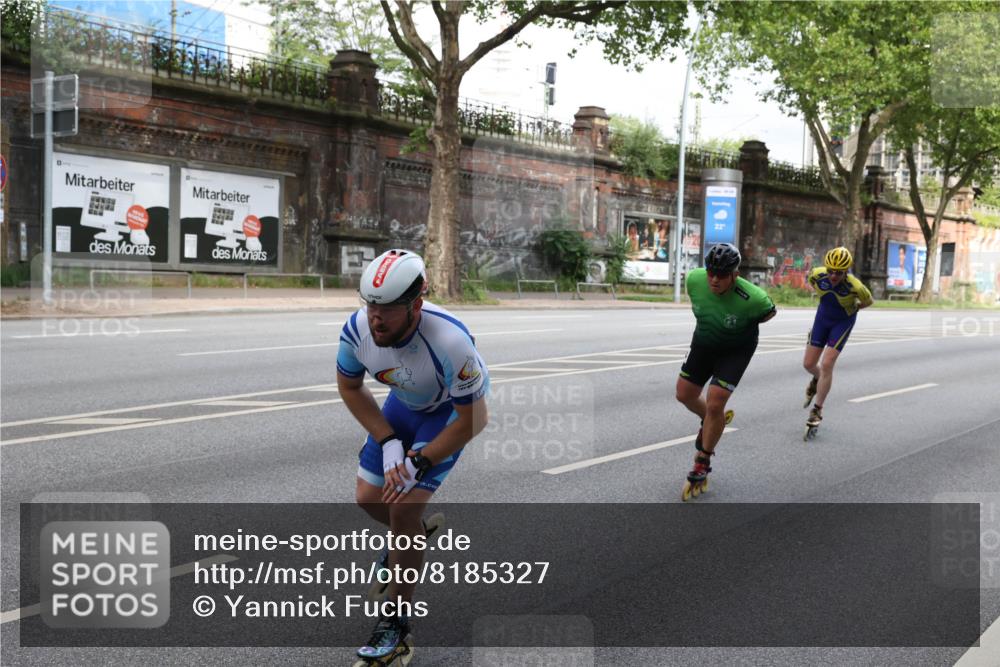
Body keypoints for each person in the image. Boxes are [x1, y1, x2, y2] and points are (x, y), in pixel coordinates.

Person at [337, 248, 489, 662]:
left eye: (387, 309)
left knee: (403, 509)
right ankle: (411, 540)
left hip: (450, 413)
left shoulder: (452, 341)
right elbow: (350, 388)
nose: (375, 318)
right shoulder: (356, 331)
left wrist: (421, 460)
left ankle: (396, 625)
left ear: (416, 304)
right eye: (370, 305)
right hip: (404, 405)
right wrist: (387, 439)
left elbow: (474, 419)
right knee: (368, 498)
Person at [676, 242, 777, 500]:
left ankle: (703, 460)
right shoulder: (695, 280)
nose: (714, 279)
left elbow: (769, 314)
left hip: (736, 350)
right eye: (711, 272)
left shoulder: (754, 298)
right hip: (704, 342)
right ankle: (714, 420)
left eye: (722, 274)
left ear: (735, 275)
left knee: (715, 402)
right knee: (684, 394)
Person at [802, 246, 873, 432]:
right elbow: (810, 281)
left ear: (846, 272)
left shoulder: (855, 286)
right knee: (809, 364)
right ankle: (817, 379)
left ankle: (817, 410)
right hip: (822, 318)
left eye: (839, 273)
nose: (833, 276)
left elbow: (868, 301)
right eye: (831, 271)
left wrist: (856, 307)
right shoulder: (817, 275)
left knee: (827, 364)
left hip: (842, 322)